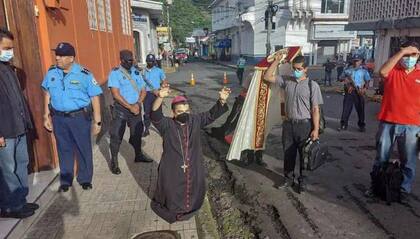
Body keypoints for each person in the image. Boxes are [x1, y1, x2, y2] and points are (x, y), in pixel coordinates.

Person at [150, 84, 230, 223]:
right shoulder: (166, 125)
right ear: (173, 113)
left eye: (186, 110)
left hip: (192, 162)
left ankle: (189, 207)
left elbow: (211, 115)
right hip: (172, 165)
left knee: (193, 185)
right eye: (180, 111)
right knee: (171, 188)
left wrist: (222, 101)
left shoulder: (195, 120)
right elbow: (155, 114)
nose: (184, 114)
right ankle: (174, 209)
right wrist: (159, 98)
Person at [42, 42, 102, 192]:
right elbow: (47, 93)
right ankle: (66, 180)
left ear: (71, 58)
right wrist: (46, 115)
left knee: (83, 148)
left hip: (79, 118)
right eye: (57, 55)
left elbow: (95, 97)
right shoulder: (51, 73)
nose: (57, 58)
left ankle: (85, 178)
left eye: (61, 56)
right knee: (64, 149)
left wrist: (98, 121)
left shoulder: (84, 74)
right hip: (59, 118)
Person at [365, 41, 420, 200]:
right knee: (381, 157)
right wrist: (402, 52)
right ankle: (376, 186)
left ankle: (402, 189)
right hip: (388, 122)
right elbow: (382, 71)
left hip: (412, 126)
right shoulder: (393, 70)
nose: (409, 57)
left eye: (413, 54)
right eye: (406, 54)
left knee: (408, 161)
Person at [264, 54, 323, 191]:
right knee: (288, 153)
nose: (296, 71)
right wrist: (277, 61)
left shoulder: (312, 86)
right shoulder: (287, 81)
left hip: (304, 125)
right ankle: (288, 179)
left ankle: (302, 181)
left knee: (305, 155)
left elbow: (315, 109)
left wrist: (315, 129)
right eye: (294, 69)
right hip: (289, 125)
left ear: (305, 69)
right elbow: (267, 77)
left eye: (299, 69)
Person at [0, 28, 39, 219]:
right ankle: (11, 206)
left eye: (11, 48)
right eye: (6, 48)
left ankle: (21, 200)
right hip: (4, 132)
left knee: (22, 163)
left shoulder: (8, 68)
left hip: (20, 127)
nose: (10, 51)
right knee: (7, 169)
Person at [108, 50, 152, 175]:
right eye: (127, 60)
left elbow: (143, 90)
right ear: (121, 60)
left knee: (137, 133)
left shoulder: (136, 72)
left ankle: (138, 155)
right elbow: (115, 94)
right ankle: (114, 162)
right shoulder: (115, 73)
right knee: (116, 135)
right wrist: (129, 106)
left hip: (136, 107)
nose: (129, 62)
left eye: (131, 60)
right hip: (121, 109)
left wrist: (138, 104)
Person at [338, 54, 371, 132]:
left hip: (359, 91)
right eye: (355, 61)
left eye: (358, 61)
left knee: (360, 109)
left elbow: (367, 80)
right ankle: (343, 124)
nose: (356, 63)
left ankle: (361, 125)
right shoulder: (347, 70)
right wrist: (346, 81)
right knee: (346, 108)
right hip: (349, 91)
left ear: (361, 61)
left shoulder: (364, 71)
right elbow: (341, 78)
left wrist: (365, 89)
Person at [142, 54, 166, 136]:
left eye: (152, 61)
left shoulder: (159, 71)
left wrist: (164, 86)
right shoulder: (142, 72)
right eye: (149, 61)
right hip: (147, 94)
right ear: (146, 61)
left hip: (157, 94)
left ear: (154, 62)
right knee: (147, 112)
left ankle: (162, 130)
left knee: (158, 112)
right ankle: (146, 129)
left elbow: (164, 81)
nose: (150, 63)